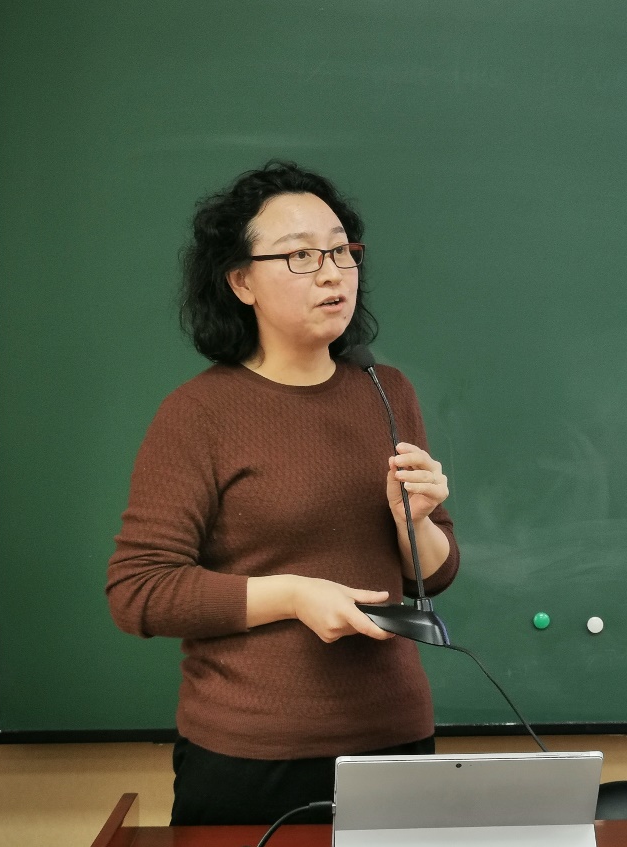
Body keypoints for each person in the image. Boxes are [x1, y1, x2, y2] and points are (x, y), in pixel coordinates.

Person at [105, 161, 460, 825]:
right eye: (300, 255)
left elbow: (432, 576)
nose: (331, 273)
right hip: (252, 757)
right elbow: (138, 589)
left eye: (340, 250)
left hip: (394, 738)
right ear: (241, 281)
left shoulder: (388, 391)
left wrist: (415, 522)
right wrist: (294, 595)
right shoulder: (199, 413)